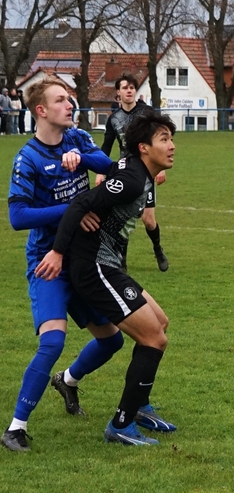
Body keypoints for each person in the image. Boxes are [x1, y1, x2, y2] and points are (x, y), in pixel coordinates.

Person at [35, 112, 177, 446]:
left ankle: (139, 406)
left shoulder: (137, 171)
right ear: (144, 148)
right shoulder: (132, 179)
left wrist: (90, 163)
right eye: (164, 139)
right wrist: (57, 252)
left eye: (172, 139)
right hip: (93, 267)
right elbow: (79, 205)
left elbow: (111, 168)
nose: (172, 146)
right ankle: (121, 425)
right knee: (154, 338)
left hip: (108, 264)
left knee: (160, 323)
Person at [2, 78, 124, 453]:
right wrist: (74, 209)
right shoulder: (27, 158)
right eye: (60, 100)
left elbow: (112, 167)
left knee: (112, 340)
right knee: (53, 340)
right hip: (48, 262)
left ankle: (67, 381)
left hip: (83, 260)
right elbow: (18, 217)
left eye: (70, 98)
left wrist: (82, 159)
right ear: (41, 111)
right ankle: (15, 429)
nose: (70, 105)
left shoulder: (77, 138)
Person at [99, 75, 169, 272]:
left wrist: (161, 167)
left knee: (148, 219)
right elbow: (106, 146)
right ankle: (121, 261)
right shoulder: (113, 119)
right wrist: (100, 172)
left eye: (132, 87)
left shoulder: (147, 113)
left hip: (147, 169)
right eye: (125, 88)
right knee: (123, 216)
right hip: (125, 171)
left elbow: (161, 139)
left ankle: (158, 249)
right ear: (118, 93)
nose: (129, 90)